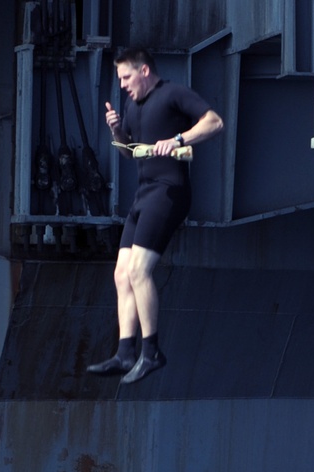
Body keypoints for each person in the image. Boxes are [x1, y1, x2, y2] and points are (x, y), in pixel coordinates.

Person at [87, 47, 224, 384]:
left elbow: (214, 122)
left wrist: (178, 138)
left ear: (144, 70)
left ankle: (152, 352)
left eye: (126, 77)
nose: (122, 85)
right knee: (121, 274)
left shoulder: (172, 93)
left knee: (138, 270)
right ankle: (125, 353)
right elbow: (132, 149)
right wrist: (117, 131)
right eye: (120, 79)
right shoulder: (132, 107)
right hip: (144, 194)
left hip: (168, 191)